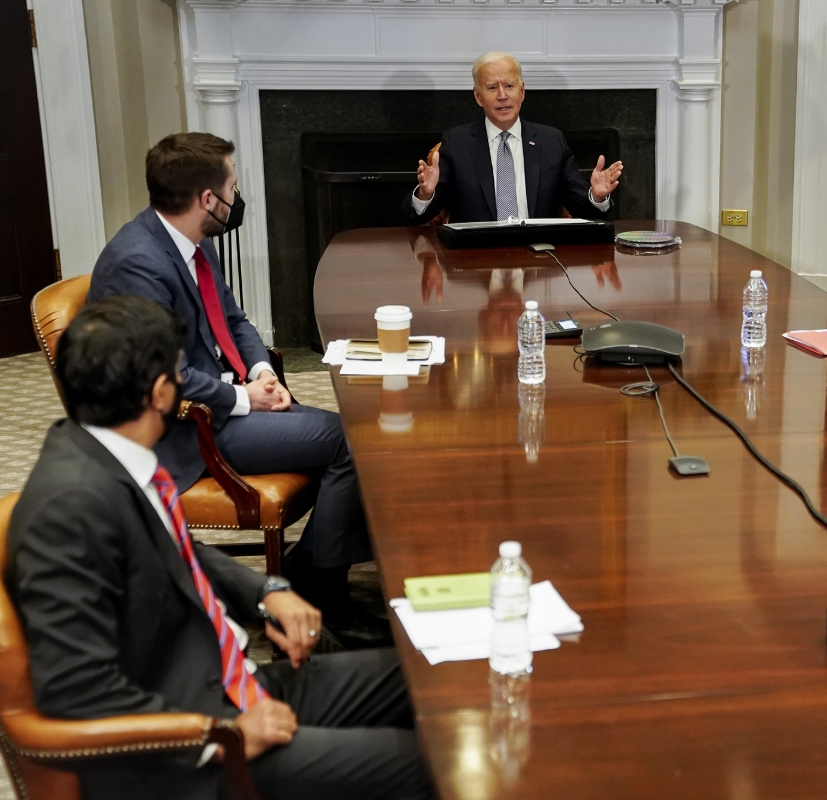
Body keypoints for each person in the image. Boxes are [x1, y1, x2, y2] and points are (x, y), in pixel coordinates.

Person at [5, 295, 433, 800]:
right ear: (160, 393)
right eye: (180, 371)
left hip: (233, 684)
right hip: (196, 749)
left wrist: (266, 592)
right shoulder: (69, 511)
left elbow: (178, 552)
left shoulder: (113, 455)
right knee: (431, 763)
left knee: (435, 677)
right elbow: (77, 692)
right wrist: (218, 737)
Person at [87, 133, 387, 648]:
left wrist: (259, 371)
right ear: (207, 199)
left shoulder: (192, 241)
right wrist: (247, 398)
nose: (236, 196)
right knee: (347, 440)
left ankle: (307, 573)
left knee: (350, 433)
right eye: (232, 186)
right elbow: (166, 376)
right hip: (181, 429)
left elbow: (233, 318)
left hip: (223, 399)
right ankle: (323, 594)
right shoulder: (138, 263)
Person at [400, 52, 622, 225]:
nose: (502, 95)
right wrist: (425, 194)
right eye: (492, 87)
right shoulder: (457, 143)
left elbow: (583, 209)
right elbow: (418, 216)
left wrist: (597, 197)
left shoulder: (551, 141)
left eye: (509, 86)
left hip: (539, 254)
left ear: (522, 91)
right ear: (478, 96)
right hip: (476, 257)